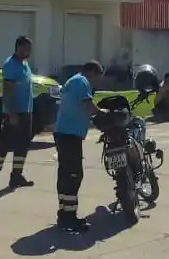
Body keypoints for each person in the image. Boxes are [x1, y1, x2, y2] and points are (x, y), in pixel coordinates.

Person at [53, 60, 107, 233]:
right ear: (92, 72)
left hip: (63, 132)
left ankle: (64, 213)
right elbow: (88, 105)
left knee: (65, 174)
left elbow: (77, 107)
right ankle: (69, 218)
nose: (98, 82)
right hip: (69, 135)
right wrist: (103, 113)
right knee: (74, 175)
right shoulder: (82, 81)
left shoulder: (73, 80)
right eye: (98, 78)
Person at [0, 36, 35, 190]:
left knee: (23, 145)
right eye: (26, 49)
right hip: (14, 112)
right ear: (18, 48)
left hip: (26, 111)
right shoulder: (10, 65)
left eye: (29, 49)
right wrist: (11, 113)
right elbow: (8, 91)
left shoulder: (25, 64)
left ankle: (16, 176)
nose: (28, 52)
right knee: (5, 146)